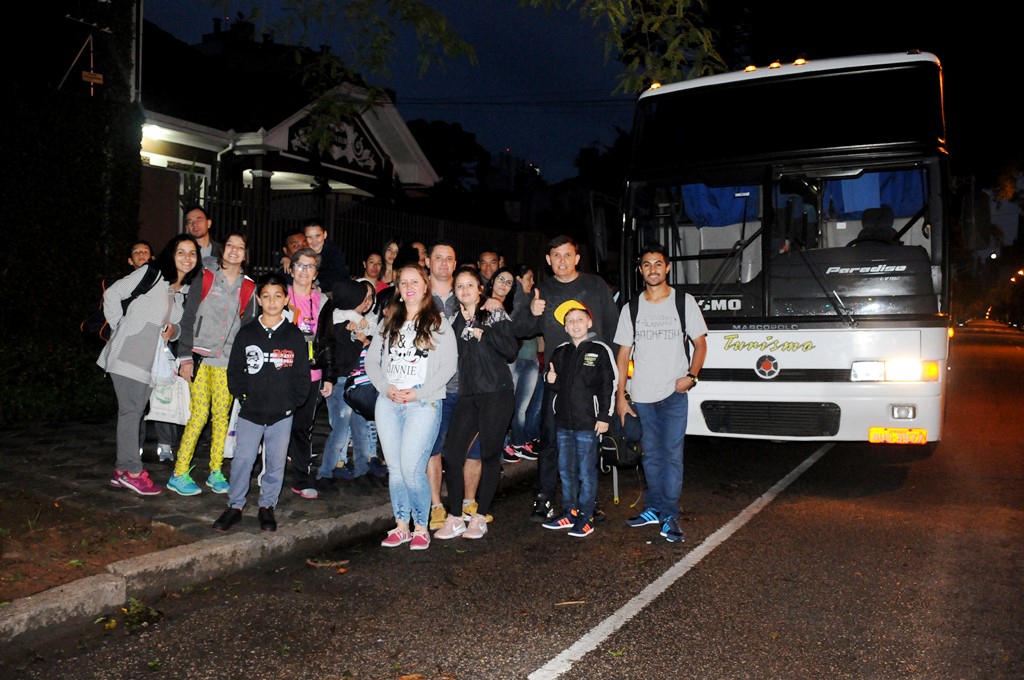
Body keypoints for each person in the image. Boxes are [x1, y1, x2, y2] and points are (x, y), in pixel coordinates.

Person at [512, 234, 619, 521]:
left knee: (587, 444)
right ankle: (544, 498)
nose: (562, 261)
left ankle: (588, 502)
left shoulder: (594, 286)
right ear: (548, 260)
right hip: (555, 382)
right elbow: (520, 329)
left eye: (567, 255)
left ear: (577, 258)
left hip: (590, 384)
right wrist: (531, 312)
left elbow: (614, 330)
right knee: (549, 442)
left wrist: (617, 380)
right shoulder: (542, 290)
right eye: (556, 255)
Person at [615, 243, 707, 543]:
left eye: (658, 264)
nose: (652, 269)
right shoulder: (632, 307)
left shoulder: (684, 302)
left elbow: (700, 343)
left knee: (671, 456)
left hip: (673, 394)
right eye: (646, 264)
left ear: (667, 268)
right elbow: (623, 355)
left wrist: (691, 377)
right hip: (642, 395)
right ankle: (654, 508)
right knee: (651, 456)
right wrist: (620, 397)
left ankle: (669, 514)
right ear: (640, 270)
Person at [98, 234, 202, 495]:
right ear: (171, 254)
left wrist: (174, 331)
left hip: (149, 360)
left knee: (133, 412)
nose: (187, 258)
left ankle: (122, 470)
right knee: (132, 412)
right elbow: (112, 294)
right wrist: (119, 326)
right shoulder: (152, 273)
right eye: (181, 252)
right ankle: (133, 471)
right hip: (127, 355)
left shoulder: (185, 292)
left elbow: (180, 327)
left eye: (192, 253)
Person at [366, 262, 457, 550]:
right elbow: (372, 361)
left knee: (412, 469)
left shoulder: (437, 322)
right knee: (395, 468)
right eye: (403, 282)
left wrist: (419, 394)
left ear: (425, 284)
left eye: (414, 281)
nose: (408, 287)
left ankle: (421, 526)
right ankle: (401, 525)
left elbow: (448, 366)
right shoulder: (389, 320)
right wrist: (385, 387)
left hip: (423, 403)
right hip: (389, 402)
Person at [213, 273, 311, 533]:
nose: (272, 301)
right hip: (250, 413)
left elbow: (302, 373)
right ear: (259, 299)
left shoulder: (293, 336)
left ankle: (267, 506)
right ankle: (234, 506)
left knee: (276, 462)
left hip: (282, 414)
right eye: (266, 296)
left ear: (286, 299)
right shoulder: (247, 333)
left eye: (277, 296)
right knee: (243, 460)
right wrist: (244, 396)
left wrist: (293, 401)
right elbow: (234, 371)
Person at [168, 233, 258, 496]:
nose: (234, 251)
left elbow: (248, 330)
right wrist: (184, 357)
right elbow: (187, 318)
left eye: (240, 248)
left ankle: (215, 472)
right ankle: (179, 472)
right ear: (223, 250)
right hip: (199, 357)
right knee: (199, 416)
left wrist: (243, 365)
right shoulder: (206, 277)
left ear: (245, 255)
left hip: (227, 362)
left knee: (221, 418)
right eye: (230, 246)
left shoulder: (249, 287)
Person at [435, 267, 517, 540]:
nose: (465, 290)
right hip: (468, 395)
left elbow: (511, 350)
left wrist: (487, 334)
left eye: (470, 285)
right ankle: (456, 517)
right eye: (460, 286)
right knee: (453, 455)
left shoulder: (493, 312)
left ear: (480, 289)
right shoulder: (456, 321)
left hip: (497, 392)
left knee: (490, 455)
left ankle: (480, 517)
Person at [422, 241, 484, 530]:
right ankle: (436, 505)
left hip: (470, 387)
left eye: (450, 258)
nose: (444, 263)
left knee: (474, 450)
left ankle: (468, 503)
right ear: (427, 262)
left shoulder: (468, 295)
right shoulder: (418, 297)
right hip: (434, 389)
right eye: (438, 258)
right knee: (432, 447)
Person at [541, 302, 617, 538]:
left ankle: (586, 515)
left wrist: (604, 416)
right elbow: (554, 384)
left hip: (588, 423)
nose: (575, 324)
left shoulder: (600, 350)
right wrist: (549, 378)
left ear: (589, 323)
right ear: (565, 327)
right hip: (564, 422)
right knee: (566, 470)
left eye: (579, 319)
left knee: (586, 471)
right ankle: (569, 512)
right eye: (570, 321)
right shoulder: (561, 351)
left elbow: (609, 385)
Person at [284, 247, 337, 498]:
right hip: (280, 371)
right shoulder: (279, 295)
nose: (304, 271)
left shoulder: (323, 302)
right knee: (274, 424)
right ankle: (268, 471)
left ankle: (302, 478)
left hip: (311, 375)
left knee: (303, 427)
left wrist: (329, 376)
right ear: (291, 268)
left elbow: (327, 340)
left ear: (316, 273)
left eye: (310, 267)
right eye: (300, 265)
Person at [316, 278, 375, 496]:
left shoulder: (354, 322)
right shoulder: (339, 324)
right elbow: (340, 356)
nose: (367, 302)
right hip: (341, 383)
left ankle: (362, 470)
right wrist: (359, 339)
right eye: (363, 297)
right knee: (340, 431)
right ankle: (325, 473)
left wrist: (362, 338)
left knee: (360, 429)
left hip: (355, 384)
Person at [502, 264, 543, 463]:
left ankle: (519, 440)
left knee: (524, 406)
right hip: (515, 360)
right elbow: (515, 328)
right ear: (518, 280)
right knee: (512, 405)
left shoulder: (533, 300)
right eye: (529, 277)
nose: (532, 282)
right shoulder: (513, 301)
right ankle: (511, 443)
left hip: (531, 360)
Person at [303, 217, 349, 291]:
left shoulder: (335, 251)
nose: (314, 241)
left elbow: (341, 276)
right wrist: (284, 259)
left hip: (333, 289)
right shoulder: (304, 249)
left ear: (325, 235)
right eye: (309, 237)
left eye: (318, 236)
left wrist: (320, 287)